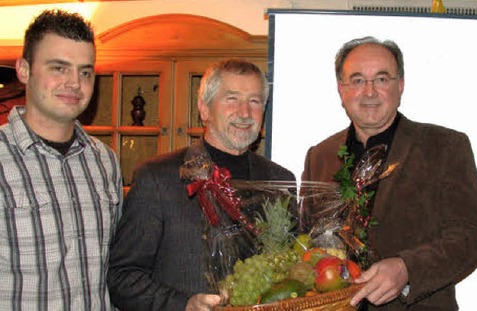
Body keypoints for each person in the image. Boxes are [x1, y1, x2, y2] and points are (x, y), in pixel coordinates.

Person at [302, 36, 477, 310]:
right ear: (341, 90)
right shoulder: (320, 155)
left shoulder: (445, 147)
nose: (369, 92)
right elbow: (306, 240)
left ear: (400, 85)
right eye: (356, 80)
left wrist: (407, 269)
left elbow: (470, 238)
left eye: (381, 79)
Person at [107, 59, 296, 311]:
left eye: (254, 101)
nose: (244, 112)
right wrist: (183, 305)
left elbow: (293, 265)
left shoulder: (281, 181)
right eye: (232, 99)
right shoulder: (158, 178)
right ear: (204, 109)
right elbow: (122, 276)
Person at [0, 10, 122, 310]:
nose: (74, 83)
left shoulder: (105, 162)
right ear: (24, 70)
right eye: (58, 68)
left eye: (85, 72)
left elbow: (115, 268)